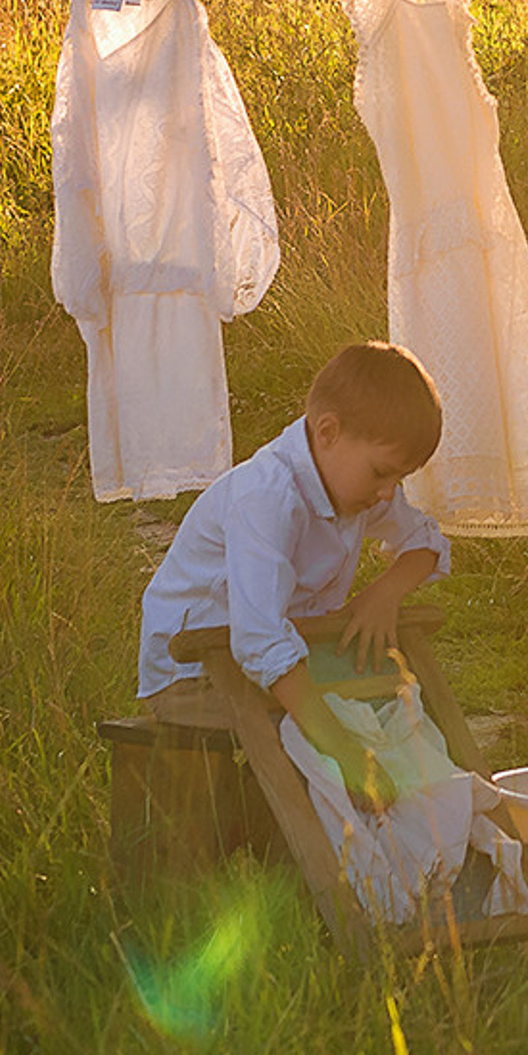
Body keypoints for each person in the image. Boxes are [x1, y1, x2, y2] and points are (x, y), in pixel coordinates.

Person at [137, 340, 448, 809]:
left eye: (399, 480)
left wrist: (386, 593)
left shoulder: (356, 488)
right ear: (328, 432)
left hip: (281, 658)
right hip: (194, 674)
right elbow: (258, 641)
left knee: (401, 707)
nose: (388, 494)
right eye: (382, 473)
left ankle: (417, 837)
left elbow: (425, 541)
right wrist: (346, 757)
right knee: (335, 730)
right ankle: (321, 860)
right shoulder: (265, 498)